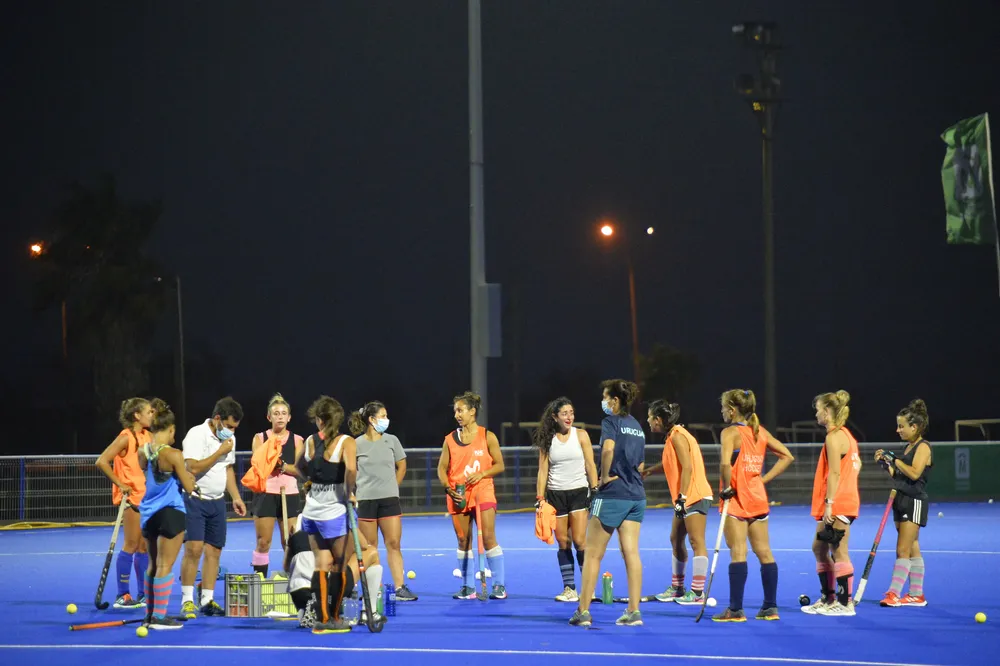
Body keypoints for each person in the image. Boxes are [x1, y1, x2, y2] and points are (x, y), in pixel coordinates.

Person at [570, 380, 646, 627]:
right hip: (636, 495)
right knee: (631, 553)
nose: (603, 401)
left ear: (615, 400)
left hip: (613, 494)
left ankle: (583, 612)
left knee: (592, 554)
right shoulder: (637, 426)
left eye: (605, 397)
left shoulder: (610, 422)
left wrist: (602, 478)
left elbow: (607, 449)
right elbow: (641, 465)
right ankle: (633, 611)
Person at [714, 389, 794, 623]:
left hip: (737, 499)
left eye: (723, 407)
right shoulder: (760, 431)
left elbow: (724, 464)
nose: (721, 411)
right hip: (758, 499)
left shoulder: (729, 432)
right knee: (765, 552)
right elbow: (787, 456)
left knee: (738, 552)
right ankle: (770, 608)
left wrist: (727, 487)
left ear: (732, 409)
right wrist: (762, 480)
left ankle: (736, 610)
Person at [179, 396, 247, 618]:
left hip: (218, 501)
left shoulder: (230, 440)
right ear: (217, 419)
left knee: (214, 551)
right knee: (194, 549)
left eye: (235, 428)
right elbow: (192, 467)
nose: (231, 432)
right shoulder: (196, 434)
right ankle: (187, 600)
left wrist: (235, 497)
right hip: (195, 500)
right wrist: (219, 452)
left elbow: (227, 469)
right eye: (228, 426)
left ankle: (207, 600)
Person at [436, 391, 508, 600]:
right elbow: (442, 468)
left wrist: (482, 473)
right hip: (458, 494)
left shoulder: (487, 436)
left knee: (488, 538)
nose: (457, 414)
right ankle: (468, 587)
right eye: (455, 411)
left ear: (472, 411)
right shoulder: (449, 439)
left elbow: (500, 464)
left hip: (483, 491)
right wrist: (446, 485)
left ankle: (499, 585)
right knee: (462, 540)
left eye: (461, 410)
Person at [642, 400, 714, 605]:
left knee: (696, 541)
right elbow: (671, 462)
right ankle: (677, 588)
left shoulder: (678, 436)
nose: (648, 421)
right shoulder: (673, 436)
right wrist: (650, 470)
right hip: (685, 498)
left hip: (694, 495)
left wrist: (682, 497)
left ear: (658, 419)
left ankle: (698, 593)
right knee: (675, 538)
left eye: (649, 417)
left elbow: (688, 467)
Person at [348, 401, 417, 601]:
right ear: (372, 419)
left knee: (394, 543)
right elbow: (350, 472)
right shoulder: (356, 443)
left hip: (389, 500)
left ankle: (399, 587)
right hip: (366, 501)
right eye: (383, 416)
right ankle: (373, 590)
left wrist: (393, 487)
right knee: (370, 547)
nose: (386, 420)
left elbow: (401, 466)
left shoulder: (392, 440)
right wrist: (351, 493)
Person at [532, 397, 598, 602]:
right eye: (564, 414)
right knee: (563, 542)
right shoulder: (547, 439)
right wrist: (540, 497)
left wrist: (594, 488)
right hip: (555, 494)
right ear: (555, 417)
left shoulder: (582, 435)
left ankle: (588, 588)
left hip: (579, 491)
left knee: (579, 540)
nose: (569, 417)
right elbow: (543, 471)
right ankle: (569, 589)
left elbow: (590, 464)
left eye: (571, 413)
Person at [300, 395, 356, 634]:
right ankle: (333, 617)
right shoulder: (346, 442)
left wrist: (310, 482)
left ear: (321, 420)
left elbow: (301, 468)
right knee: (340, 565)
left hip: (311, 511)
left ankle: (321, 620)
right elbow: (351, 469)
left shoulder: (309, 442)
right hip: (334, 511)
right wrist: (349, 492)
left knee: (322, 562)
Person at [138, 406, 198, 629]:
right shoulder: (173, 454)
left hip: (148, 514)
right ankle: (159, 617)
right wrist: (189, 476)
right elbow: (189, 487)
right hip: (171, 513)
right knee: (165, 565)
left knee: (153, 565)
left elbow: (151, 474)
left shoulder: (142, 452)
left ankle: (150, 613)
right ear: (171, 429)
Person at [803, 390, 861, 616]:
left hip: (839, 503)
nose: (816, 413)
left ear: (827, 412)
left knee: (839, 550)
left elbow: (835, 473)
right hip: (839, 501)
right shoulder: (845, 435)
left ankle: (846, 604)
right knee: (819, 548)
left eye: (818, 409)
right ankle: (828, 599)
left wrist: (829, 503)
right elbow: (855, 466)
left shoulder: (834, 437)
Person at [95, 397, 154, 609]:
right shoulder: (126, 437)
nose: (152, 415)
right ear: (137, 415)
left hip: (147, 498)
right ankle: (122, 595)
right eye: (149, 411)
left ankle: (143, 594)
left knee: (143, 547)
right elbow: (102, 461)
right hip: (131, 499)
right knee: (131, 545)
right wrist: (121, 484)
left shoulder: (148, 436)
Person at [875, 399, 933, 608]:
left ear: (914, 427)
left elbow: (915, 474)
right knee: (912, 546)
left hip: (914, 500)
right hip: (901, 499)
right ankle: (916, 594)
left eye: (902, 426)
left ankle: (893, 593)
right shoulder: (909, 448)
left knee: (902, 549)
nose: (898, 430)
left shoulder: (923, 447)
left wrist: (895, 459)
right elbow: (900, 476)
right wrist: (886, 464)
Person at [285, 514, 385, 628]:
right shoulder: (339, 513)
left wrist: (290, 543)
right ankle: (369, 613)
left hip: (298, 591)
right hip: (325, 589)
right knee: (372, 553)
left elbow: (286, 567)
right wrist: (352, 524)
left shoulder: (301, 519)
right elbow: (362, 545)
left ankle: (308, 609)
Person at [249, 393, 304, 577]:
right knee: (263, 542)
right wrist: (273, 460)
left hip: (289, 494)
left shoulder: (298, 440)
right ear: (269, 417)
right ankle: (260, 581)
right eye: (276, 413)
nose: (280, 416)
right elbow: (259, 465)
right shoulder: (260, 438)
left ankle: (294, 582)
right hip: (266, 493)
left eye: (283, 413)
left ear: (289, 417)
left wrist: (282, 466)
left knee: (289, 541)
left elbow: (300, 470)